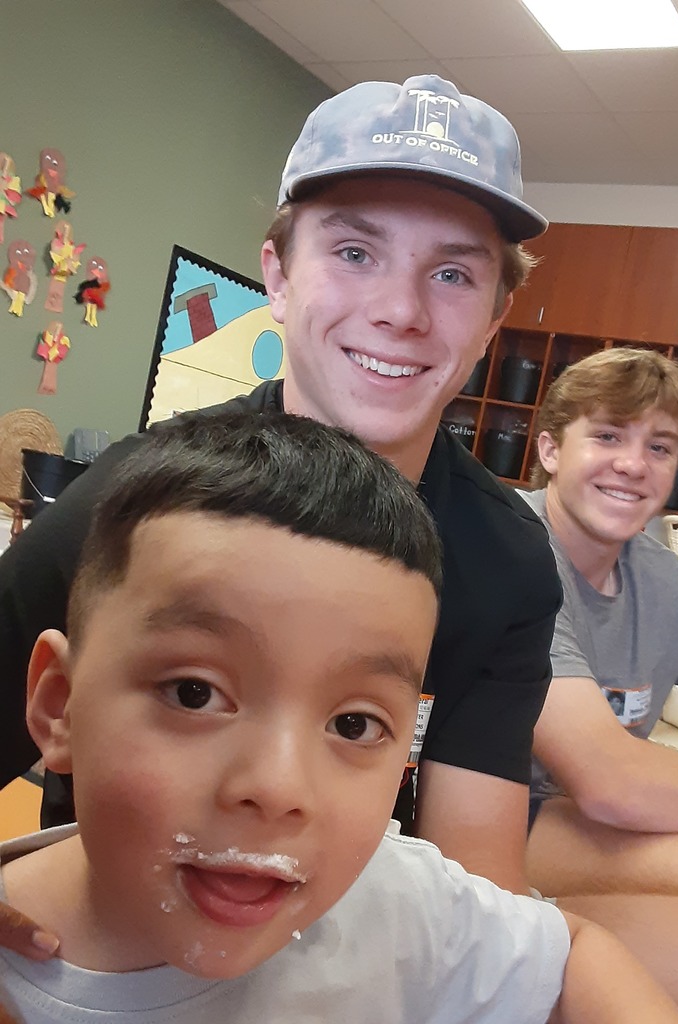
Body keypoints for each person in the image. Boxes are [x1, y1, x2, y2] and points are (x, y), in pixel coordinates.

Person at [0, 74, 562, 895]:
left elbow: (473, 879)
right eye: (354, 252)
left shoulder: (508, 563)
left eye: (452, 275)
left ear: (494, 319)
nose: (400, 310)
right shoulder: (142, 497)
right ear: (279, 275)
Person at [0, 408, 678, 1023]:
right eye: (194, 693)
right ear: (59, 705)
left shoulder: (391, 901)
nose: (278, 788)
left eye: (353, 725)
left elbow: (574, 958)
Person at [520, 347, 678, 903]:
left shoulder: (669, 586)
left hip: (581, 814)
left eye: (659, 447)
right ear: (552, 449)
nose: (634, 465)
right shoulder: (513, 553)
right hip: (480, 814)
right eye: (608, 436)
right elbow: (612, 782)